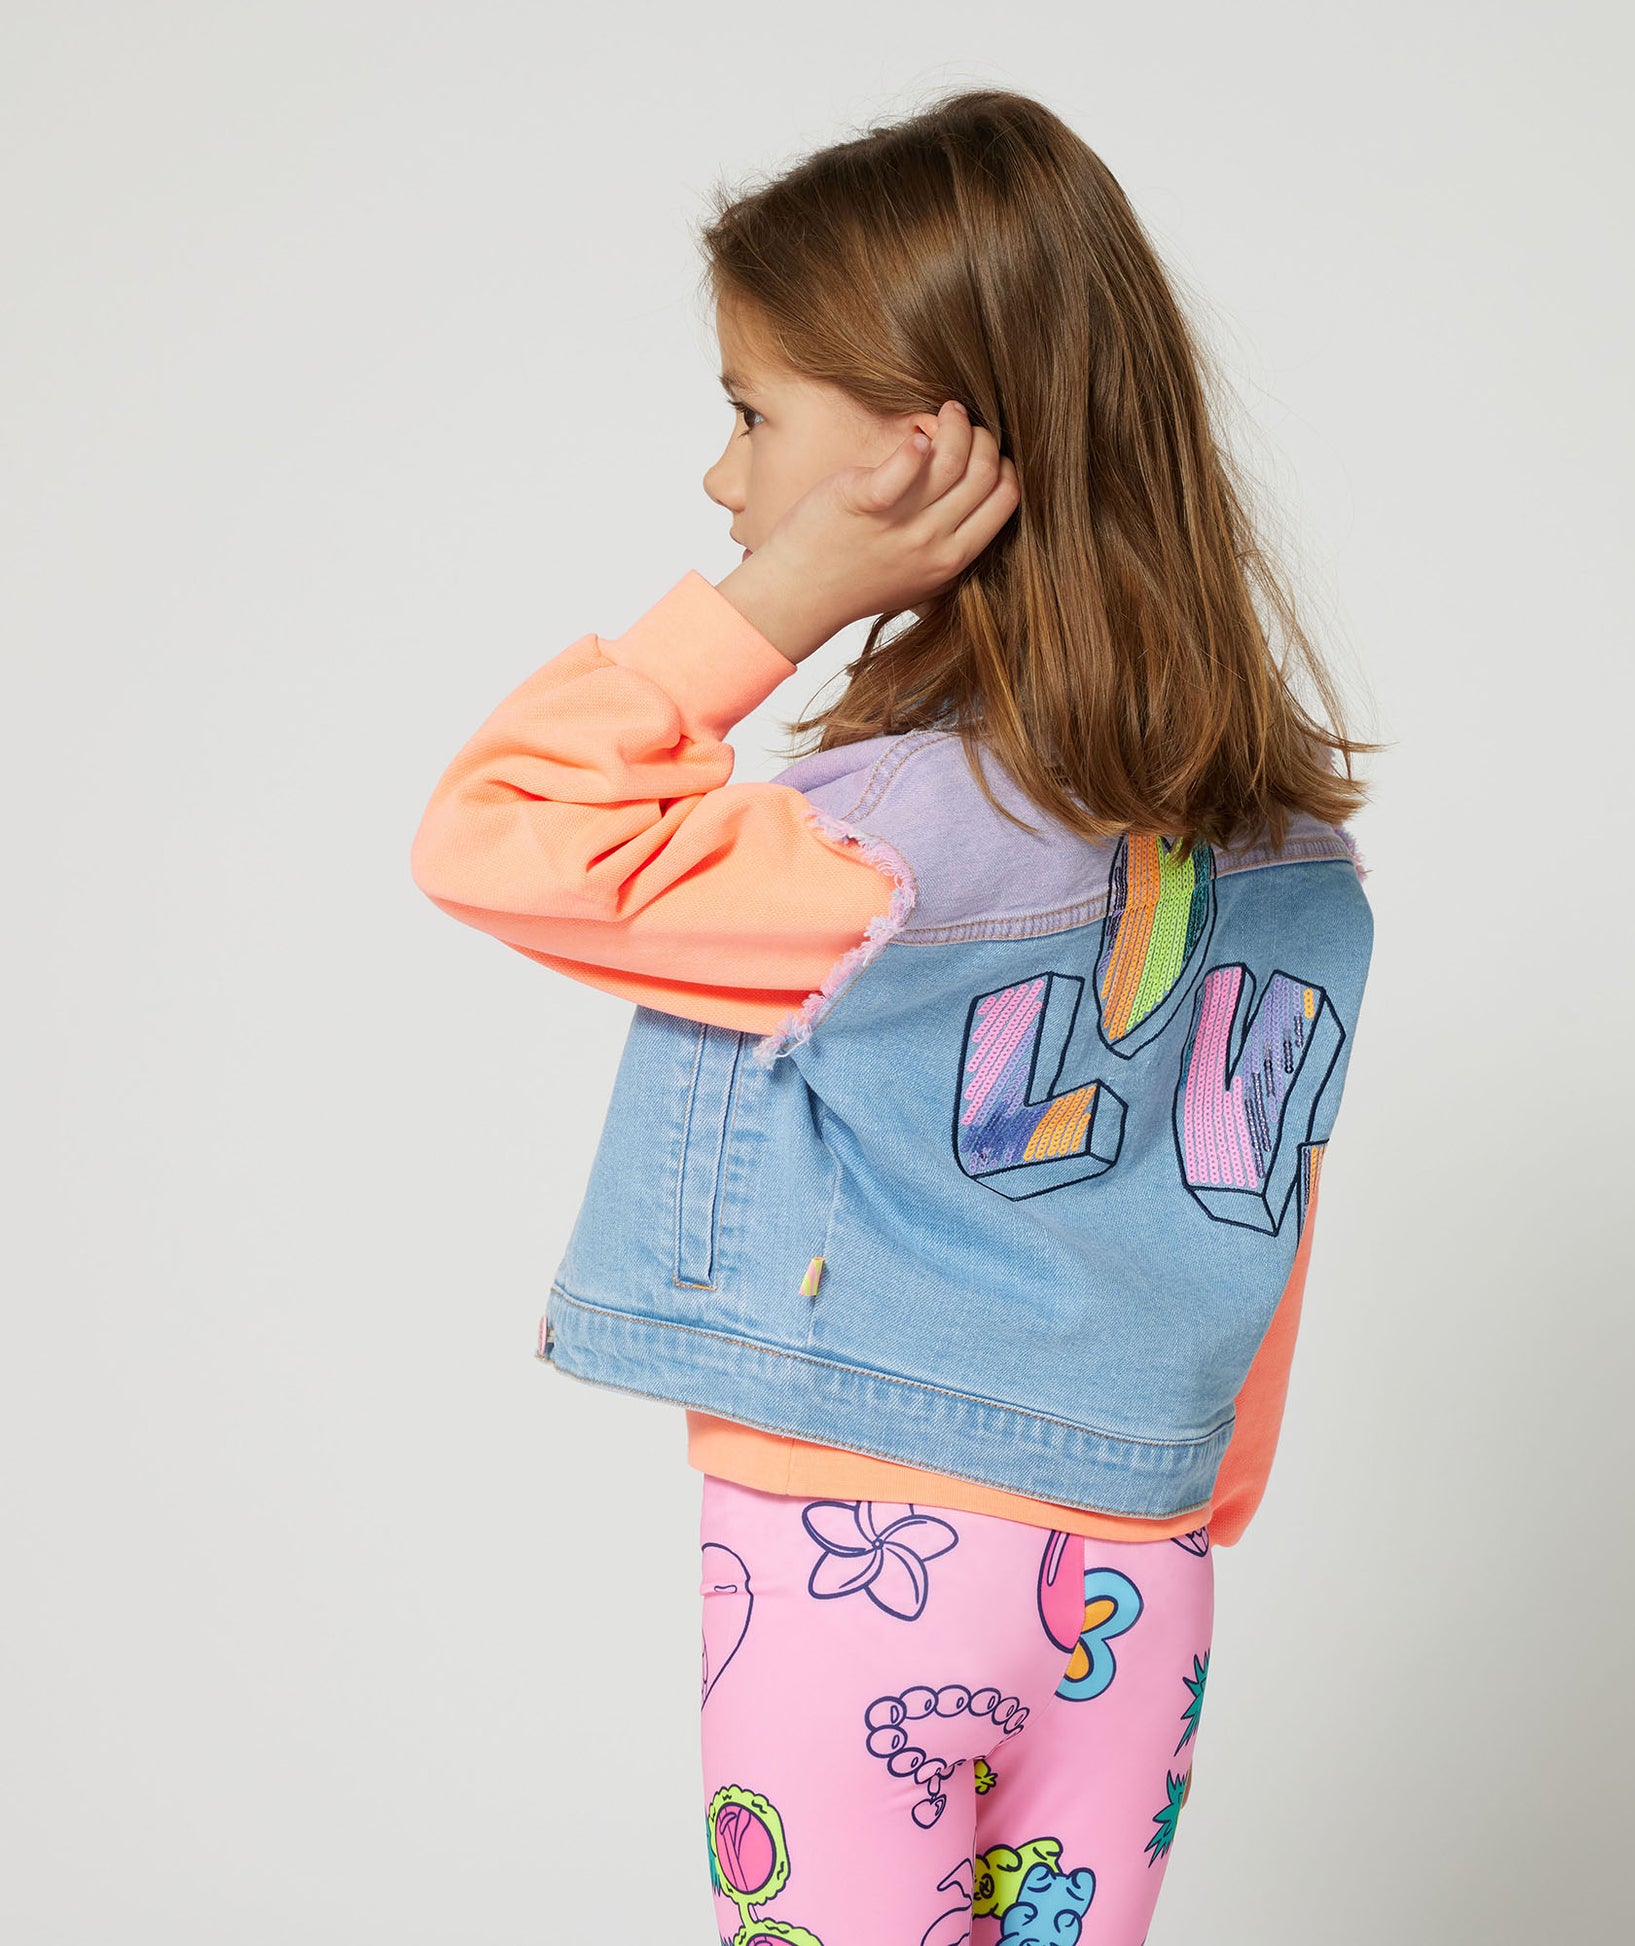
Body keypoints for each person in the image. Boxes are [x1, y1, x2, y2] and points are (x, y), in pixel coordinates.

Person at [410, 86, 1379, 1946]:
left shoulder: (864, 857)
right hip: (1141, 1567)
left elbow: (496, 828)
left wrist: (773, 596)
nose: (723, 480)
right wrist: (1186, 1491)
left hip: (858, 1561)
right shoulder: (1294, 861)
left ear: (910, 448)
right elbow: (1260, 1203)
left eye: (750, 415)